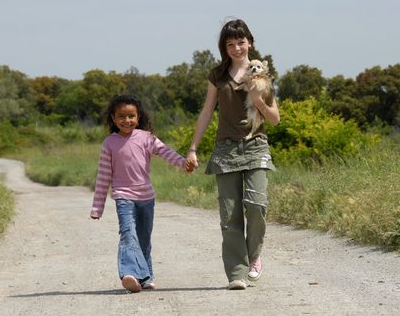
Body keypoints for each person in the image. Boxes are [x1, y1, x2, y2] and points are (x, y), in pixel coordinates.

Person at [186, 19, 280, 290]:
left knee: (256, 205)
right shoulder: (217, 75)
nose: (237, 48)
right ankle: (237, 273)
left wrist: (257, 97)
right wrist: (193, 148)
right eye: (230, 44)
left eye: (241, 42)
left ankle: (254, 255)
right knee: (230, 215)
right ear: (224, 48)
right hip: (225, 149)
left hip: (256, 146)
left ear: (250, 41)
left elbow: (274, 119)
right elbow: (206, 112)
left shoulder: (261, 74)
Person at [90, 94, 192, 293]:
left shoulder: (147, 138)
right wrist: (97, 207)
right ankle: (129, 274)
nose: (126, 121)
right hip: (123, 196)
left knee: (144, 239)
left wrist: (183, 163)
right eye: (121, 116)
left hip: (146, 198)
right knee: (128, 235)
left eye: (131, 116)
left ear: (138, 117)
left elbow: (166, 152)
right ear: (113, 118)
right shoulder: (109, 143)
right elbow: (103, 176)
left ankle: (146, 277)